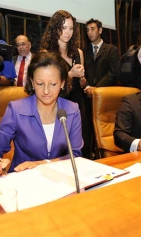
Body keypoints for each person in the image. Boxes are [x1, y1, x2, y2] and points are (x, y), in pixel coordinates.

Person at [0, 52, 83, 176]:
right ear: (32, 82)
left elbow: (76, 155)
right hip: (24, 178)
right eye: (40, 84)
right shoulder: (16, 109)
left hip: (60, 177)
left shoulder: (72, 109)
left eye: (53, 84)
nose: (46, 91)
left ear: (62, 83)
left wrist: (43, 163)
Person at [40, 10, 90, 158]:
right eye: (63, 28)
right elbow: (46, 84)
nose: (67, 32)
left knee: (81, 148)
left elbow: (82, 83)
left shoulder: (78, 52)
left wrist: (81, 78)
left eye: (71, 28)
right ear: (55, 28)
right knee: (60, 151)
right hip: (57, 106)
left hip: (78, 103)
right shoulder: (46, 53)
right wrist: (70, 74)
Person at [83, 18, 119, 96]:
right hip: (87, 94)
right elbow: (83, 73)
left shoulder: (112, 50)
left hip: (105, 93)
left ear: (100, 30)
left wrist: (96, 88)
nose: (89, 32)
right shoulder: (84, 51)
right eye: (88, 30)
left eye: (92, 29)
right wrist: (88, 87)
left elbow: (112, 73)